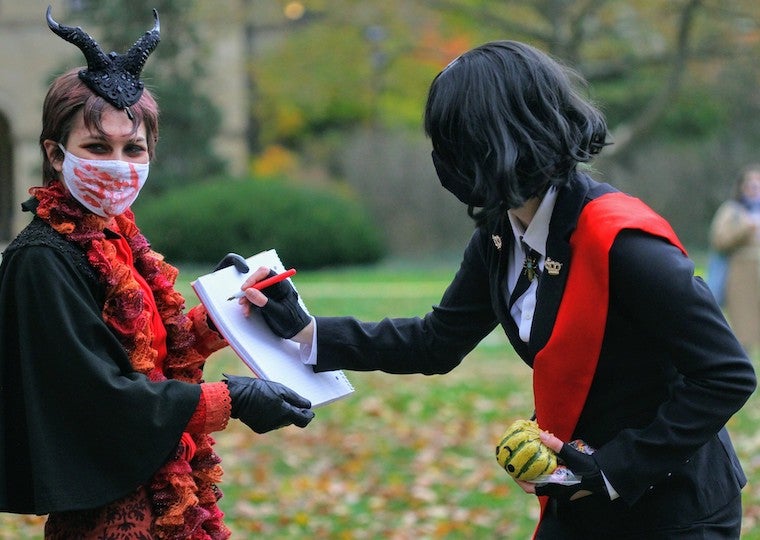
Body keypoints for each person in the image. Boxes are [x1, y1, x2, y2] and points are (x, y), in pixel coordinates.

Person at [237, 41, 756, 538]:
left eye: (452, 140)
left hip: (673, 512)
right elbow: (434, 342)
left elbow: (726, 375)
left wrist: (611, 469)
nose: (443, 158)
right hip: (576, 499)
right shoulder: (498, 233)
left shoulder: (623, 243)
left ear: (502, 138)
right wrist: (305, 331)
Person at [0, 8, 314, 540]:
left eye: (134, 148)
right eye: (97, 148)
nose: (119, 165)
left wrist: (228, 310)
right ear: (55, 154)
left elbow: (153, 354)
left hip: (166, 487)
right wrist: (229, 401)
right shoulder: (42, 257)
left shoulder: (115, 236)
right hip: (106, 516)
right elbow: (98, 396)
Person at [709, 163, 760, 352]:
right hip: (741, 276)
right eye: (751, 183)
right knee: (742, 329)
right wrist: (744, 228)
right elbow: (719, 240)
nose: (755, 188)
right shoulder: (732, 210)